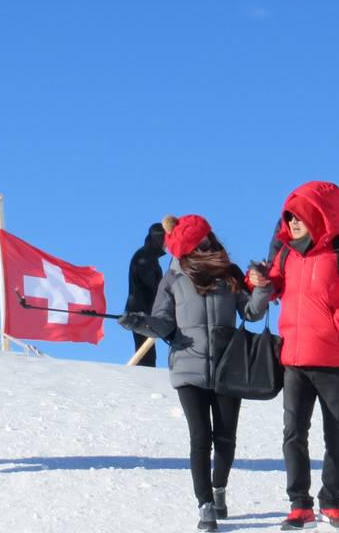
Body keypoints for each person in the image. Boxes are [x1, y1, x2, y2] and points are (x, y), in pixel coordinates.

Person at [244, 181, 339, 531]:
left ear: (320, 217)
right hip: (293, 358)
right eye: (289, 217)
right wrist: (257, 279)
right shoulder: (288, 254)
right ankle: (299, 504)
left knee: (336, 433)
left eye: (300, 217)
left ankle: (332, 502)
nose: (292, 223)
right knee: (293, 433)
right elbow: (272, 285)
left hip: (334, 361)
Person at [120, 215, 256, 532]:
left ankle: (219, 489)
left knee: (226, 439)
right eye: (195, 245)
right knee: (200, 438)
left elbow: (251, 311)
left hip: (227, 368)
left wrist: (261, 288)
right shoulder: (173, 278)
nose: (200, 249)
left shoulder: (228, 273)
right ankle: (205, 504)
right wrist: (139, 322)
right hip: (188, 366)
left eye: (204, 242)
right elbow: (163, 322)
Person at [125, 221, 166, 367]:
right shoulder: (144, 258)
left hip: (145, 310)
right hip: (140, 311)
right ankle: (144, 381)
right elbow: (154, 286)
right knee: (146, 356)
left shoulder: (149, 257)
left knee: (148, 353)